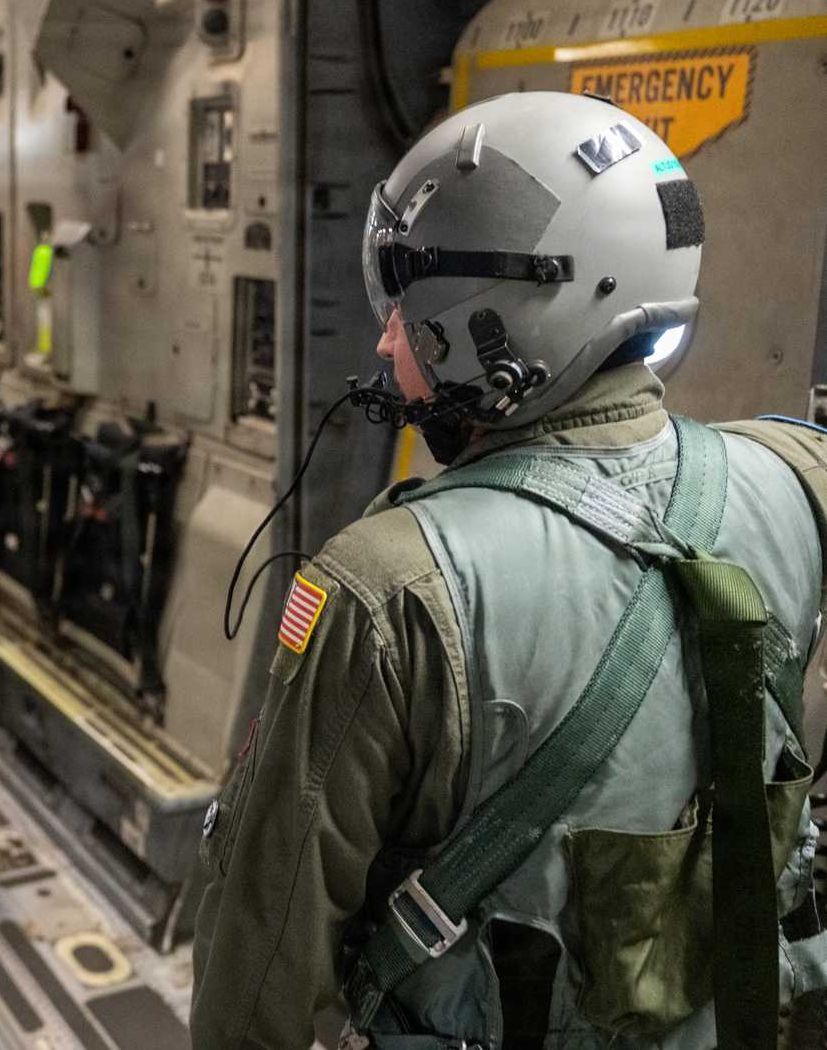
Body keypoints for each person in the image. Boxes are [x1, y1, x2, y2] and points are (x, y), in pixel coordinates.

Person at [191, 91, 827, 1049]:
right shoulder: (797, 474)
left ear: (497, 321)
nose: (385, 338)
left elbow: (268, 943)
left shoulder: (387, 586)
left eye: (406, 303)